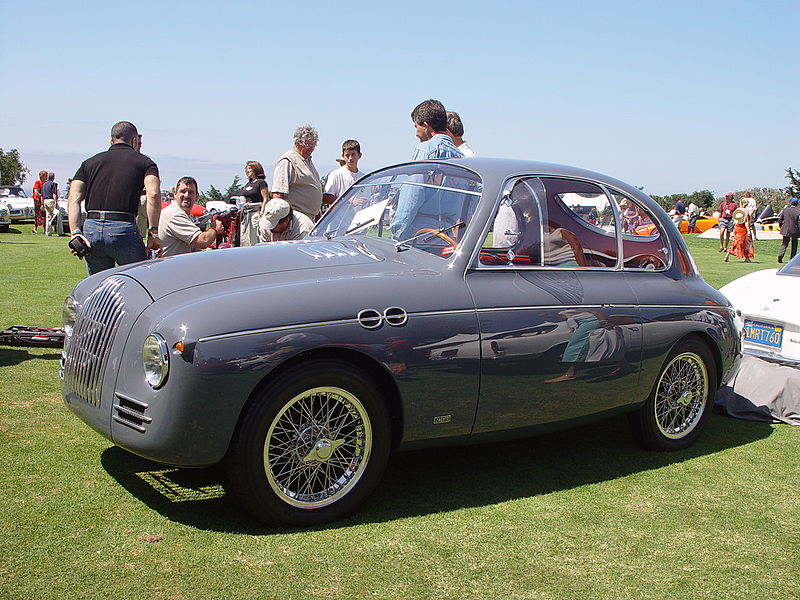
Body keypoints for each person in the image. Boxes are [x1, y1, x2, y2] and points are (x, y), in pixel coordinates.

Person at [67, 121, 162, 274]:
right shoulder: (145, 162)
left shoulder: (88, 163)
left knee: (99, 286)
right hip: (123, 228)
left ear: (111, 141)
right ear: (134, 141)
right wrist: (153, 233)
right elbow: (153, 194)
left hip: (91, 230)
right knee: (137, 282)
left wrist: (75, 233)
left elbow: (74, 198)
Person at [390, 99, 464, 240]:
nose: (416, 133)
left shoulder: (425, 150)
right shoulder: (461, 157)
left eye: (416, 127)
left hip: (419, 233)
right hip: (445, 235)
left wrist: (398, 232)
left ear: (425, 125)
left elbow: (412, 194)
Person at [158, 176, 224, 257]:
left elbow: (195, 249)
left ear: (197, 196)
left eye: (191, 192)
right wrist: (215, 229)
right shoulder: (174, 214)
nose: (186, 195)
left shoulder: (186, 215)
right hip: (172, 267)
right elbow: (203, 241)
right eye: (183, 191)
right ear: (175, 194)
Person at [271, 126, 322, 222]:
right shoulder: (287, 161)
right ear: (297, 143)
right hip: (295, 220)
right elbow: (278, 195)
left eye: (313, 146)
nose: (311, 149)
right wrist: (284, 221)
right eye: (308, 145)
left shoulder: (307, 160)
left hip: (310, 217)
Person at [322, 140, 365, 211]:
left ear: (359, 155)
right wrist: (348, 200)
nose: (350, 158)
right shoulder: (336, 174)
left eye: (353, 154)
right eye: (347, 155)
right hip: (339, 221)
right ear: (343, 156)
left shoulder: (363, 177)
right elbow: (326, 197)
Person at [777, 197, 800, 263]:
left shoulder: (785, 210)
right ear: (797, 203)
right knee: (794, 246)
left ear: (791, 202)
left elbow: (780, 219)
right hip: (794, 230)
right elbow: (798, 223)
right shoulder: (797, 212)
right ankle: (792, 259)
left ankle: (780, 256)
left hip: (786, 229)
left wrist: (781, 226)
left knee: (784, 244)